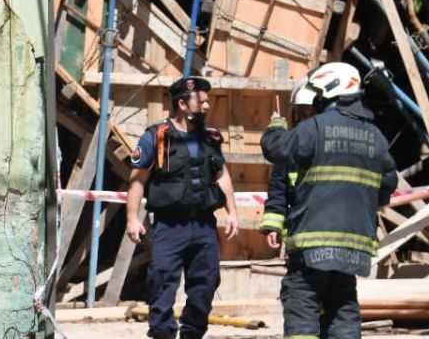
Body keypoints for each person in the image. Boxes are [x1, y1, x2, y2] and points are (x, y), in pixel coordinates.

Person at [261, 62, 398, 339]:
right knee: (342, 307)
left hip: (313, 243)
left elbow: (278, 150)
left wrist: (276, 126)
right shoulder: (377, 137)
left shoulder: (315, 128)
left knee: (302, 303)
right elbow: (387, 186)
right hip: (354, 246)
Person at [125, 76, 240, 339]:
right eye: (202, 101)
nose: (207, 105)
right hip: (169, 226)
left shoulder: (210, 138)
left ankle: (192, 333)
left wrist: (232, 211)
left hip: (204, 226)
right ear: (183, 104)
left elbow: (221, 174)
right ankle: (163, 334)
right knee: (161, 283)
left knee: (206, 285)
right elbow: (137, 180)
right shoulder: (156, 137)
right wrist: (132, 218)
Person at [259, 86, 318, 251]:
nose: (306, 118)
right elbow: (278, 189)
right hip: (299, 235)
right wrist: (273, 226)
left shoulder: (329, 143)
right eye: (303, 112)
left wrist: (276, 130)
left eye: (311, 112)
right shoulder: (290, 148)